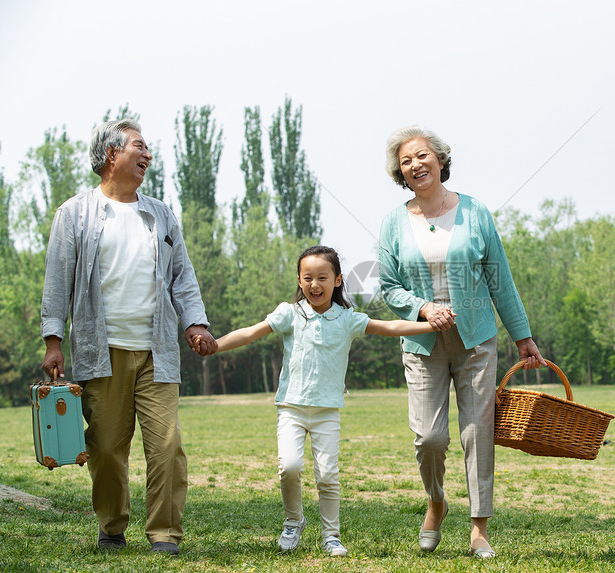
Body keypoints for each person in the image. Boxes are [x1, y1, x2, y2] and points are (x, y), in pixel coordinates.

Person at [194, 245, 451, 557]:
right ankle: (293, 522)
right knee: (288, 467)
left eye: (322, 277)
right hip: (291, 407)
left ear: (338, 280)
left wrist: (429, 325)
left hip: (328, 409)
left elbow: (391, 327)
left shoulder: (347, 319)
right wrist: (215, 345)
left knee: (327, 475)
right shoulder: (289, 314)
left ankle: (331, 536)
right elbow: (250, 333)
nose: (314, 284)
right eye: (307, 278)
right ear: (300, 281)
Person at [40, 119, 218, 556]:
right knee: (104, 447)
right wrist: (52, 339)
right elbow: (57, 280)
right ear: (109, 156)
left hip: (156, 350)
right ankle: (112, 526)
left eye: (148, 148)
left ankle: (164, 534)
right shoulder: (75, 213)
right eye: (139, 146)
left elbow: (182, 275)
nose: (148, 155)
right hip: (101, 352)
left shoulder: (160, 213)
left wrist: (195, 322)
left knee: (167, 446)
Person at [378, 125, 545, 559]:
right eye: (406, 161)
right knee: (429, 437)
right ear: (401, 172)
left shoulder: (475, 212)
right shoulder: (394, 222)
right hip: (422, 344)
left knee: (477, 434)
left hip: (475, 341)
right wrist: (423, 308)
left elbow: (500, 281)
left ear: (440, 159)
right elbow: (389, 287)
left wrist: (522, 337)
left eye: (422, 155)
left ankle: (479, 529)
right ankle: (436, 502)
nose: (415, 165)